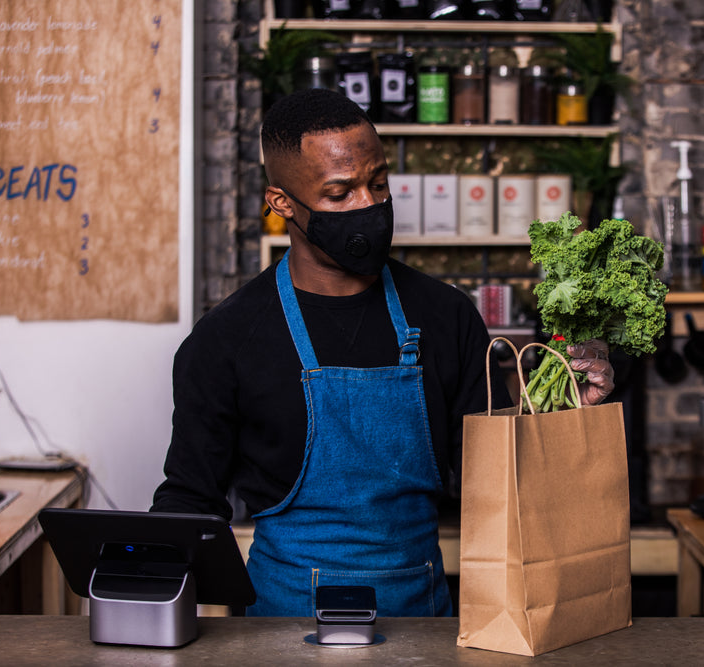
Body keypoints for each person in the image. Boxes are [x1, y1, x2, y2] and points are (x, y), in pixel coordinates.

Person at [151, 88, 615, 618]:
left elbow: (496, 479)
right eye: (339, 192)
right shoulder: (226, 337)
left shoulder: (446, 315)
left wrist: (564, 413)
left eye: (378, 183)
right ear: (282, 203)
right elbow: (191, 497)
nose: (369, 206)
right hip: (280, 631)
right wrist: (145, 584)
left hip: (425, 623)